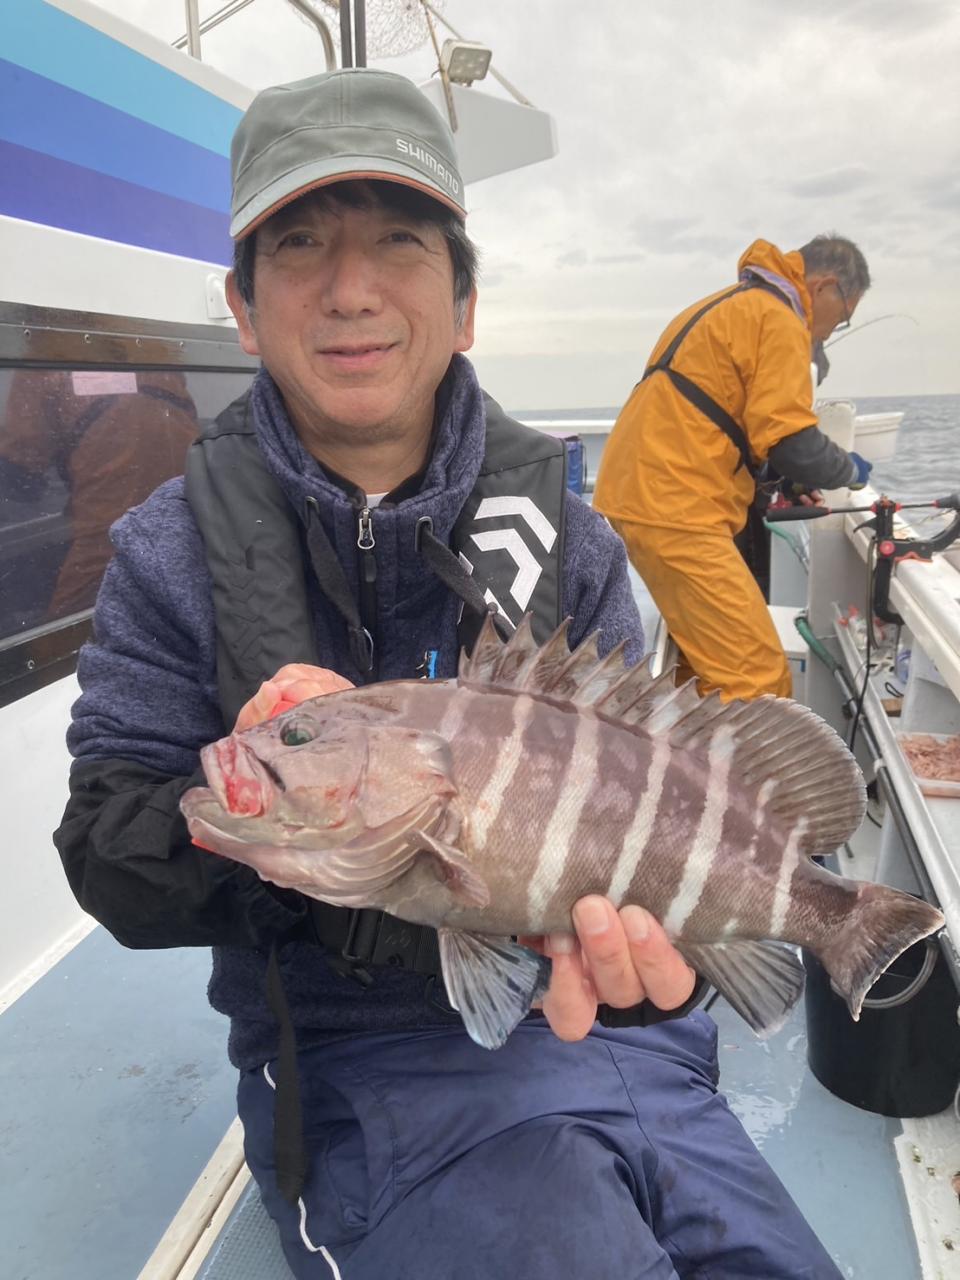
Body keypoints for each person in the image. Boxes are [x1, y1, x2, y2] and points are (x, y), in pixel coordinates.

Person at [54, 71, 844, 1279]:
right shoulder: (168, 552)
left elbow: (644, 829)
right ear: (243, 308)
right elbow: (107, 845)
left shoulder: (575, 542)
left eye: (400, 241)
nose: (351, 287)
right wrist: (292, 844)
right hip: (357, 1062)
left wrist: (647, 984)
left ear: (465, 302)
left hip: (619, 1047)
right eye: (300, 243)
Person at [594, 235, 873, 701]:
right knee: (757, 682)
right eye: (843, 316)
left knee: (702, 666)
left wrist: (787, 480)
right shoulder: (779, 319)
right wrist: (849, 470)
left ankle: (684, 749)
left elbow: (729, 418)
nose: (829, 332)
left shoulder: (729, 306)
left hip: (643, 492)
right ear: (824, 286)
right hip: (676, 507)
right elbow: (793, 443)